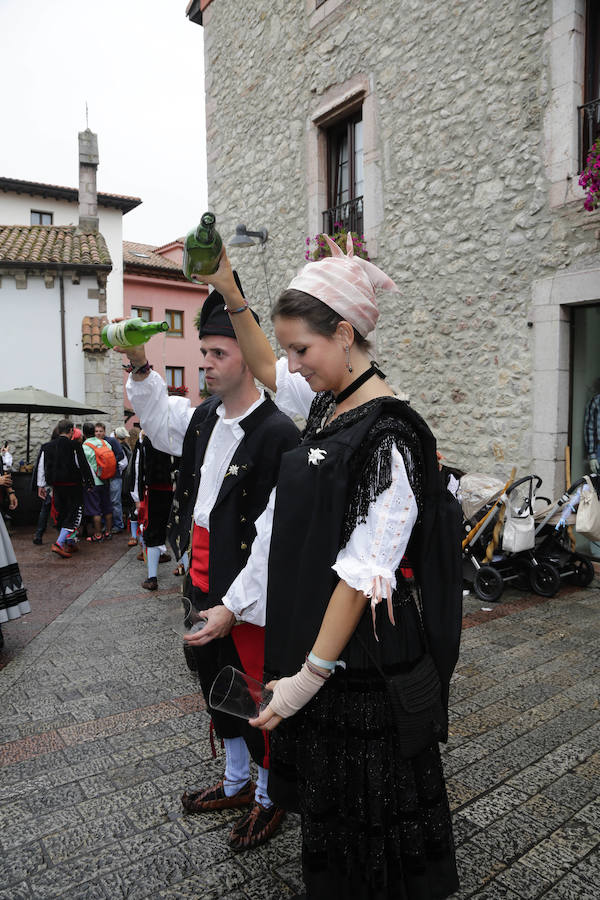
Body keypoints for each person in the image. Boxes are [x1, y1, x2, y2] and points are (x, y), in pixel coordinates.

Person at [185, 237, 461, 898]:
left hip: (363, 671)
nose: (292, 365)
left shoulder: (388, 437)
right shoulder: (328, 406)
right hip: (329, 657)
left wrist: (307, 681)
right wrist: (230, 292)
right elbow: (266, 362)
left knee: (372, 839)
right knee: (337, 834)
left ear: (344, 334)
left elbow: (363, 574)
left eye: (303, 350)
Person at [118, 280, 300, 851]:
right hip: (201, 585)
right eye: (204, 354)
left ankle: (270, 797)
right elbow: (158, 418)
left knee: (257, 696)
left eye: (217, 353)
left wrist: (235, 605)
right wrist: (137, 360)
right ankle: (238, 781)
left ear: (247, 357)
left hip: (251, 597)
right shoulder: (202, 420)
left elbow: (278, 538)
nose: (205, 365)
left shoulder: (279, 434)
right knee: (218, 691)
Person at [36, 419, 94, 558]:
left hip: (56, 487)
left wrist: (41, 485)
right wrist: (89, 482)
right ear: (71, 431)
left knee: (62, 514)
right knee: (74, 515)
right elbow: (82, 465)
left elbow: (42, 467)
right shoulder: (75, 445)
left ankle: (70, 543)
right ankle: (59, 543)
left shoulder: (47, 446)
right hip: (73, 486)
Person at [130, 432, 177, 590]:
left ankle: (152, 577)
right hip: (175, 490)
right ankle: (185, 572)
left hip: (156, 491)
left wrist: (137, 497)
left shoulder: (148, 439)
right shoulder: (177, 435)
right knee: (179, 530)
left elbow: (137, 469)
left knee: (154, 532)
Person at [81, 422, 114, 542]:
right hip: (105, 479)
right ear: (94, 431)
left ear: (84, 434)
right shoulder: (105, 443)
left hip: (93, 482)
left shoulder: (85, 446)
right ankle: (109, 532)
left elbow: (82, 466)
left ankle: (98, 534)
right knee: (107, 507)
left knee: (95, 510)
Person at [95, 422, 127, 532]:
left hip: (114, 475)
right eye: (96, 431)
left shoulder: (112, 441)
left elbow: (120, 454)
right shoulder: (94, 443)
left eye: (100, 431)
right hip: (101, 477)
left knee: (115, 501)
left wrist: (110, 463)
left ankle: (118, 525)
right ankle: (107, 524)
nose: (98, 433)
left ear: (104, 431)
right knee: (104, 501)